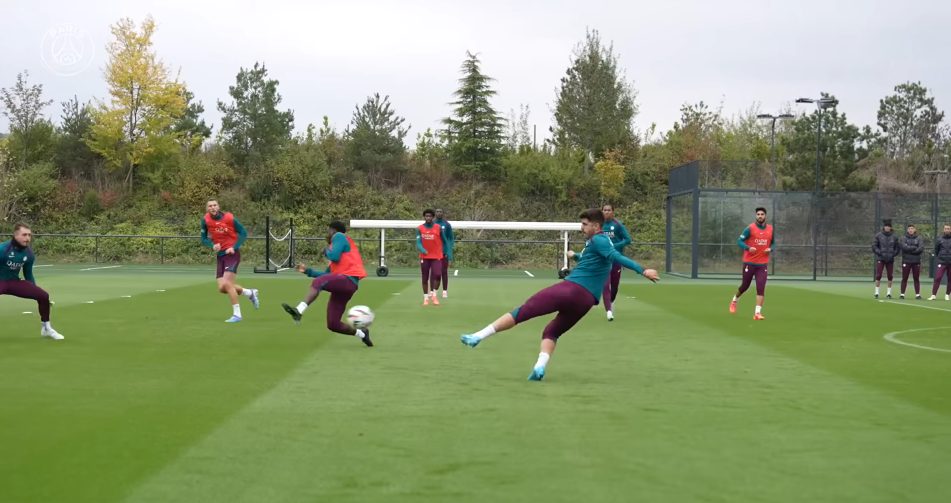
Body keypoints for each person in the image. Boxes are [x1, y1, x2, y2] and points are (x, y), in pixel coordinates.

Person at [459, 208, 659, 381]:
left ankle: (478, 336)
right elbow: (598, 257)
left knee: (522, 312)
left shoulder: (599, 239)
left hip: (571, 289)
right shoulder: (598, 242)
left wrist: (643, 270)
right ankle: (540, 367)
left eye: (584, 224)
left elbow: (616, 256)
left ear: (597, 226)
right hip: (586, 301)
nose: (581, 228)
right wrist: (576, 256)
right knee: (551, 332)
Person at [281, 221, 372, 347]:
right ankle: (362, 334)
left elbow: (334, 257)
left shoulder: (339, 236)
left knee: (318, 282)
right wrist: (307, 271)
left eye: (328, 231)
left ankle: (299, 310)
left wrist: (325, 251)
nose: (328, 234)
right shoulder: (338, 251)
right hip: (346, 286)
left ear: (333, 230)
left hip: (347, 280)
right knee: (333, 324)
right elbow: (326, 276)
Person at [0, 223, 64, 340]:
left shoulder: (28, 254)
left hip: (14, 282)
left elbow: (28, 274)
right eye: (24, 235)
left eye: (29, 235)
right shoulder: (3, 249)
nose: (28, 238)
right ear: (16, 235)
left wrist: (35, 292)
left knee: (43, 296)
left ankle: (46, 328)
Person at [200, 199, 258, 322]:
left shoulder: (229, 218)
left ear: (218, 206)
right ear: (207, 209)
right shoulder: (205, 220)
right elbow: (203, 238)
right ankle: (249, 293)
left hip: (232, 254)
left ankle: (237, 315)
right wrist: (212, 245)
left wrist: (234, 247)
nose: (213, 207)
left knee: (227, 284)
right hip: (220, 256)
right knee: (222, 288)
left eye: (215, 205)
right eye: (210, 206)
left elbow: (243, 233)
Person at [729, 207, 774, 320]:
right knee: (745, 286)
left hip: (762, 264)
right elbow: (739, 241)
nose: (760, 216)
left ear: (765, 216)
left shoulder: (770, 229)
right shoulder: (750, 228)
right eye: (758, 214)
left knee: (761, 287)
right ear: (755, 216)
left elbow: (773, 243)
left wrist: (771, 249)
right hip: (749, 263)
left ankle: (757, 313)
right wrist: (748, 248)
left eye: (762, 214)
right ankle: (735, 300)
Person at [600, 203, 632, 321]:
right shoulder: (599, 225)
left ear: (613, 212)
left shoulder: (617, 225)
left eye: (609, 210)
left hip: (616, 258)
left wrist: (615, 245)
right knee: (605, 284)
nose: (607, 212)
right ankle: (608, 310)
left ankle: (611, 302)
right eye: (605, 210)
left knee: (614, 285)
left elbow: (628, 240)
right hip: (603, 259)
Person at [416, 209, 451, 306]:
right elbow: (418, 243)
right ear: (424, 217)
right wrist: (423, 250)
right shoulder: (419, 228)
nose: (428, 218)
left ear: (432, 217)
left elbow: (445, 241)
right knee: (425, 278)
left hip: (436, 256)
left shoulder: (438, 227)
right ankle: (426, 298)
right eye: (426, 216)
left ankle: (434, 294)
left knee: (438, 274)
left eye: (430, 216)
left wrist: (447, 252)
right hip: (425, 256)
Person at [872, 219, 900, 299]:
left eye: (889, 226)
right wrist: (879, 252)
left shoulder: (894, 236)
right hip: (881, 258)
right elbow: (874, 246)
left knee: (890, 276)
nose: (887, 228)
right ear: (884, 227)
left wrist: (893, 254)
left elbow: (897, 248)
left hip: (890, 259)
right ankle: (876, 292)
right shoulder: (878, 235)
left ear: (891, 228)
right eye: (886, 226)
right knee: (878, 275)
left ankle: (888, 293)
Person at [434, 208, 455, 298]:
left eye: (440, 212)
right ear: (435, 213)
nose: (439, 213)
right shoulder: (432, 224)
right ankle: (434, 290)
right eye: (437, 212)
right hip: (434, 253)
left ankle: (444, 291)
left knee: (444, 272)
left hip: (444, 252)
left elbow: (450, 238)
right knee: (435, 272)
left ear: (443, 213)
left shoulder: (446, 224)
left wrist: (449, 252)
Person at [899, 223, 924, 300]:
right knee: (904, 278)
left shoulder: (919, 238)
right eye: (909, 228)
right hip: (906, 261)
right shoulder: (903, 238)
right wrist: (913, 248)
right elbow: (904, 247)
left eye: (912, 228)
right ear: (907, 230)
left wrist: (910, 250)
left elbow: (920, 248)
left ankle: (917, 294)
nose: (911, 230)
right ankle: (902, 294)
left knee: (916, 278)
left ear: (915, 230)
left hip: (916, 261)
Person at [929, 224, 951, 301]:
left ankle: (947, 295)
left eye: (948, 229)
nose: (947, 230)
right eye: (946, 228)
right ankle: (933, 295)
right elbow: (936, 250)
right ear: (943, 230)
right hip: (941, 262)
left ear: (950, 230)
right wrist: (940, 257)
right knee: (938, 278)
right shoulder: (939, 239)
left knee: (950, 279)